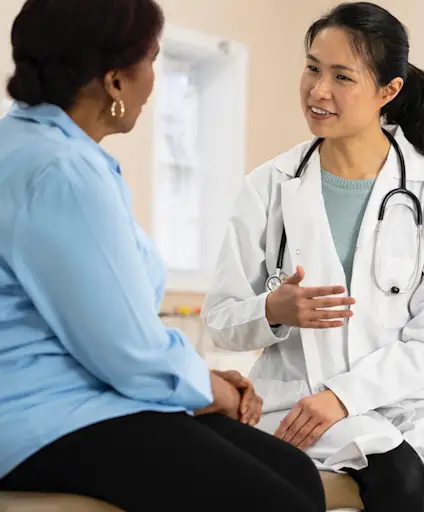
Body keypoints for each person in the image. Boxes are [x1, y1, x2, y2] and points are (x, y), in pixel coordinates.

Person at [0, 1, 327, 511]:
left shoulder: (30, 146)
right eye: (151, 60)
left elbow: (109, 330)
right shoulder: (62, 173)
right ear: (114, 81)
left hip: (75, 396)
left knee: (295, 471)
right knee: (284, 502)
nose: (153, 80)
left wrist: (198, 379)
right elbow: (125, 351)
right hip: (42, 415)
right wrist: (211, 389)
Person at [202, 2, 424, 511]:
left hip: (411, 407)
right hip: (302, 405)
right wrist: (272, 310)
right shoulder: (267, 187)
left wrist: (344, 395)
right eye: (312, 68)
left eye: (342, 76)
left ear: (388, 90)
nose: (319, 90)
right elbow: (221, 322)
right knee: (399, 480)